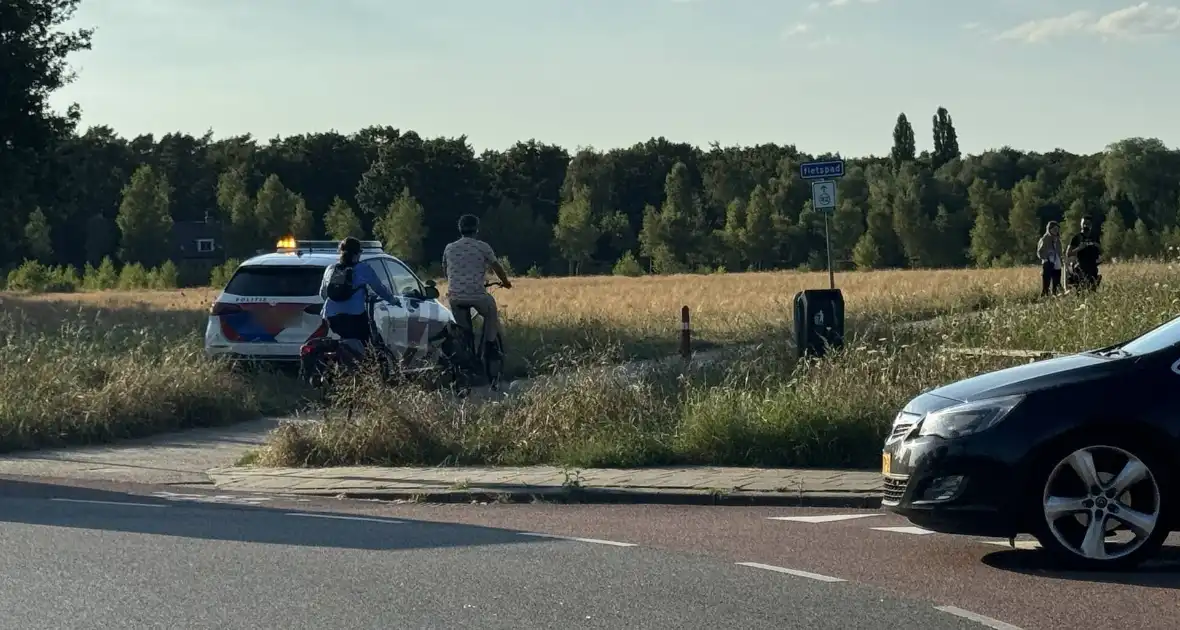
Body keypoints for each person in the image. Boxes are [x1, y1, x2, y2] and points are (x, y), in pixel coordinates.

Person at [442, 214, 512, 354]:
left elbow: (445, 270)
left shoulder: (449, 248)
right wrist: (506, 282)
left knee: (462, 328)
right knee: (491, 311)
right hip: (477, 295)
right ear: (476, 229)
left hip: (455, 297)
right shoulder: (482, 247)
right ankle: (490, 343)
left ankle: (465, 354)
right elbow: (496, 267)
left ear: (460, 229)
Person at [319, 236, 400, 350]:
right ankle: (363, 365)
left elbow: (322, 294)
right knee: (367, 345)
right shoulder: (363, 269)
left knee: (333, 343)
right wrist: (393, 300)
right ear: (357, 254)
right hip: (354, 316)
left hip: (331, 316)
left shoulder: (330, 269)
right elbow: (379, 288)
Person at [1066, 216, 1102, 292]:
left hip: (1093, 267)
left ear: (1091, 225)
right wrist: (1079, 248)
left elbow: (1101, 250)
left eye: (1087, 224)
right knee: (1081, 289)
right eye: (1084, 223)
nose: (1085, 225)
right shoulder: (1076, 238)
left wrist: (1096, 245)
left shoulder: (1095, 237)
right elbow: (1068, 253)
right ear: (1081, 224)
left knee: (1092, 289)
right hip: (1081, 267)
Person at [1037, 221, 1063, 296]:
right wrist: (1046, 257)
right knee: (1046, 284)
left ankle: (1055, 295)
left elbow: (1060, 251)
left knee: (1056, 283)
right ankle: (1045, 297)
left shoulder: (1058, 239)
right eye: (1054, 229)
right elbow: (1040, 252)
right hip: (1048, 263)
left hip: (1057, 263)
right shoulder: (1045, 239)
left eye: (1057, 229)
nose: (1056, 231)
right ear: (1049, 229)